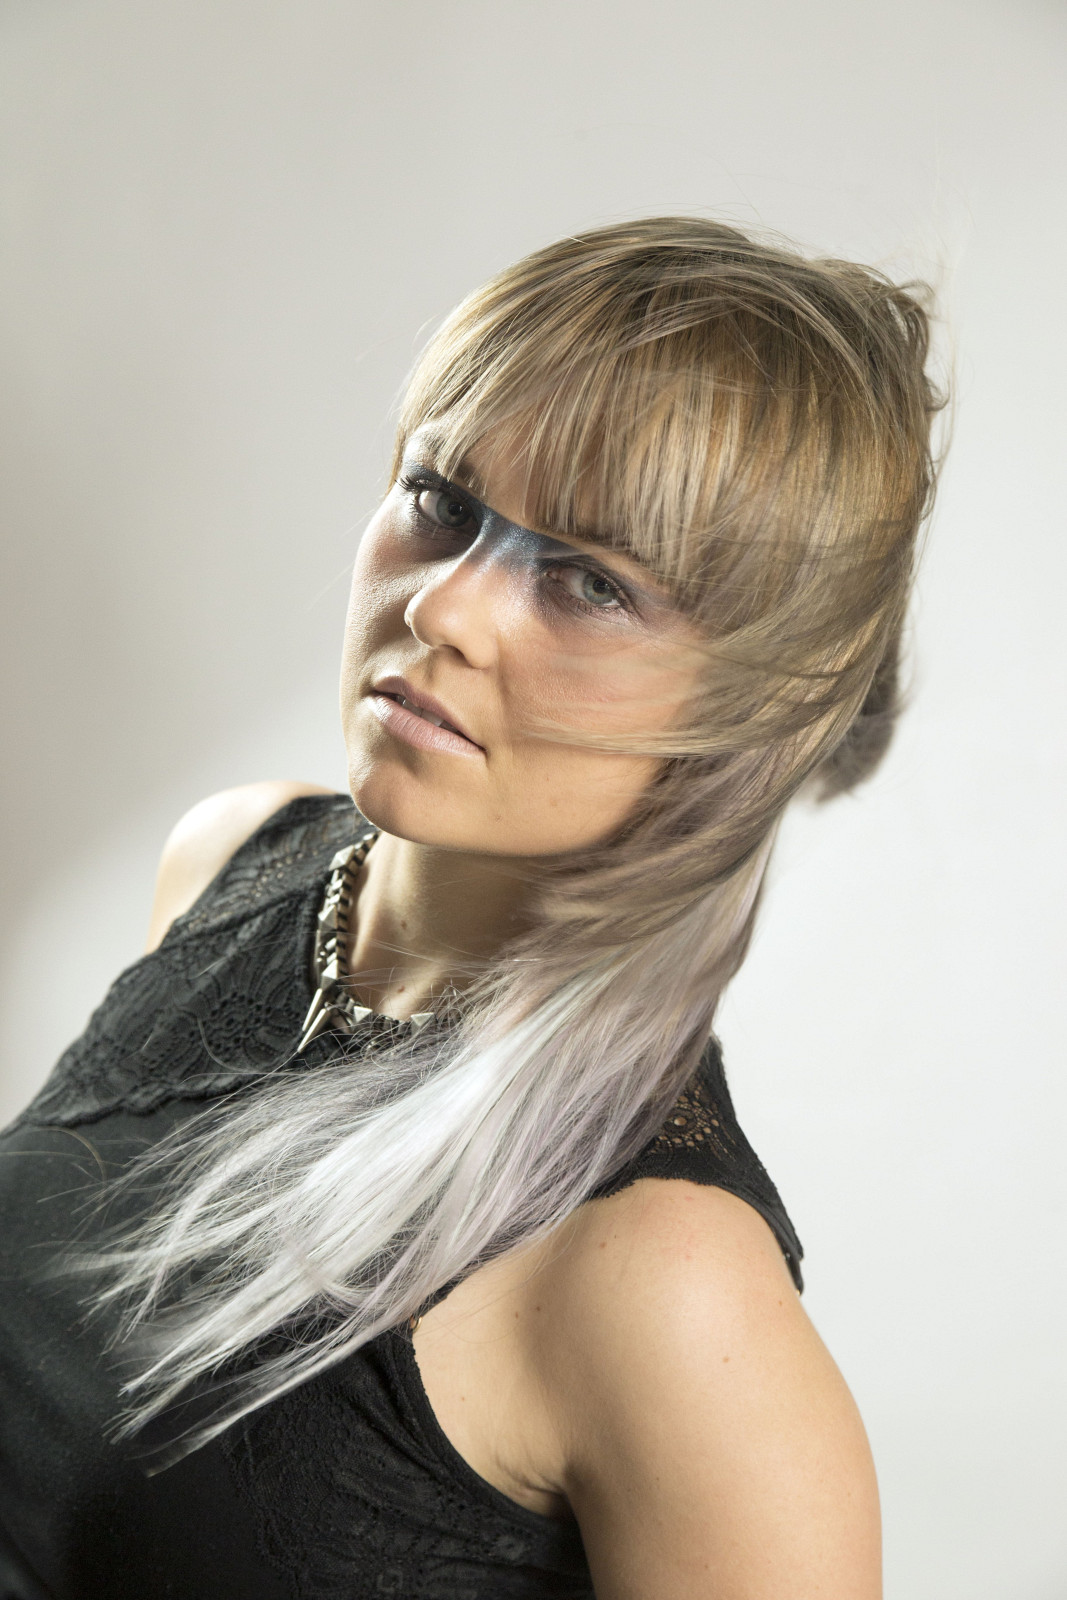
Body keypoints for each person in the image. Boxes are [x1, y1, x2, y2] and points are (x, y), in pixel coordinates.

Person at [0, 216, 941, 1599]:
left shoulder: (663, 1286)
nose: (447, 610)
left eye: (591, 583)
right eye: (442, 500)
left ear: (758, 702)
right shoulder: (232, 862)